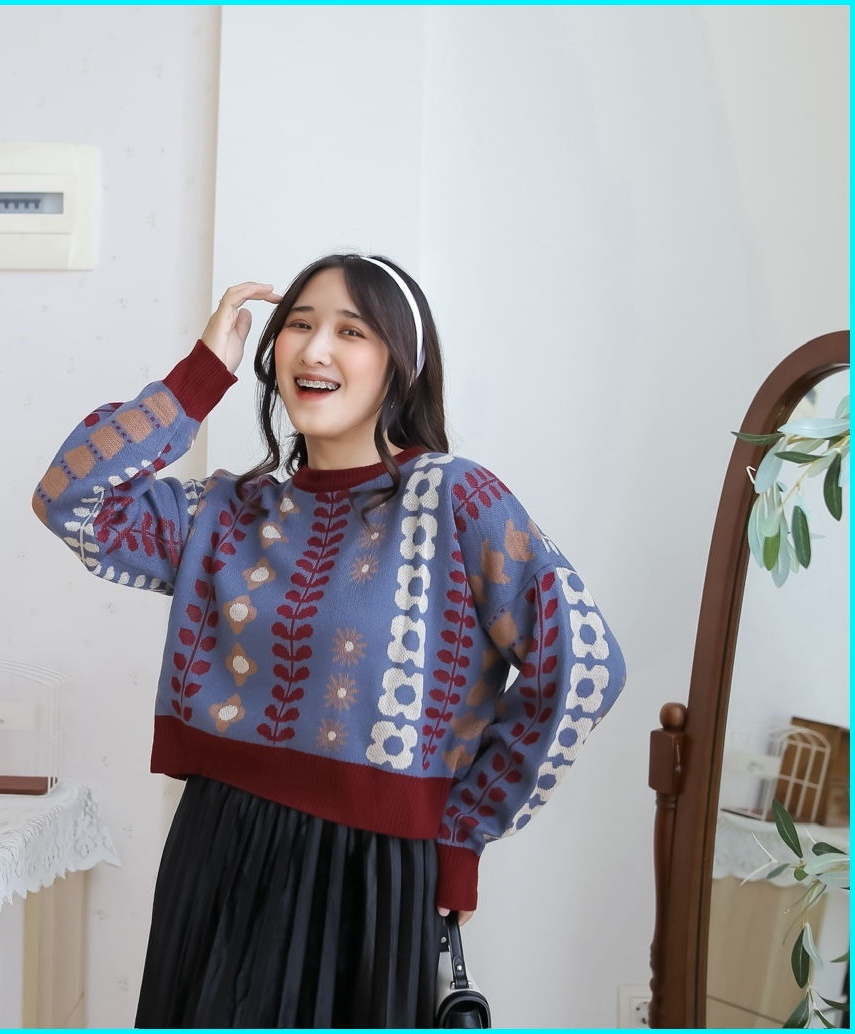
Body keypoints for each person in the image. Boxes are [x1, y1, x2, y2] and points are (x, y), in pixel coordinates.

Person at [33, 253, 627, 1028]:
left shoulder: (454, 498)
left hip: (372, 877)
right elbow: (70, 498)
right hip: (215, 850)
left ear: (399, 365)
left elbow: (584, 665)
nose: (315, 349)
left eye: (351, 331)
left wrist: (464, 832)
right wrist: (201, 374)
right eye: (299, 326)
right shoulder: (228, 513)